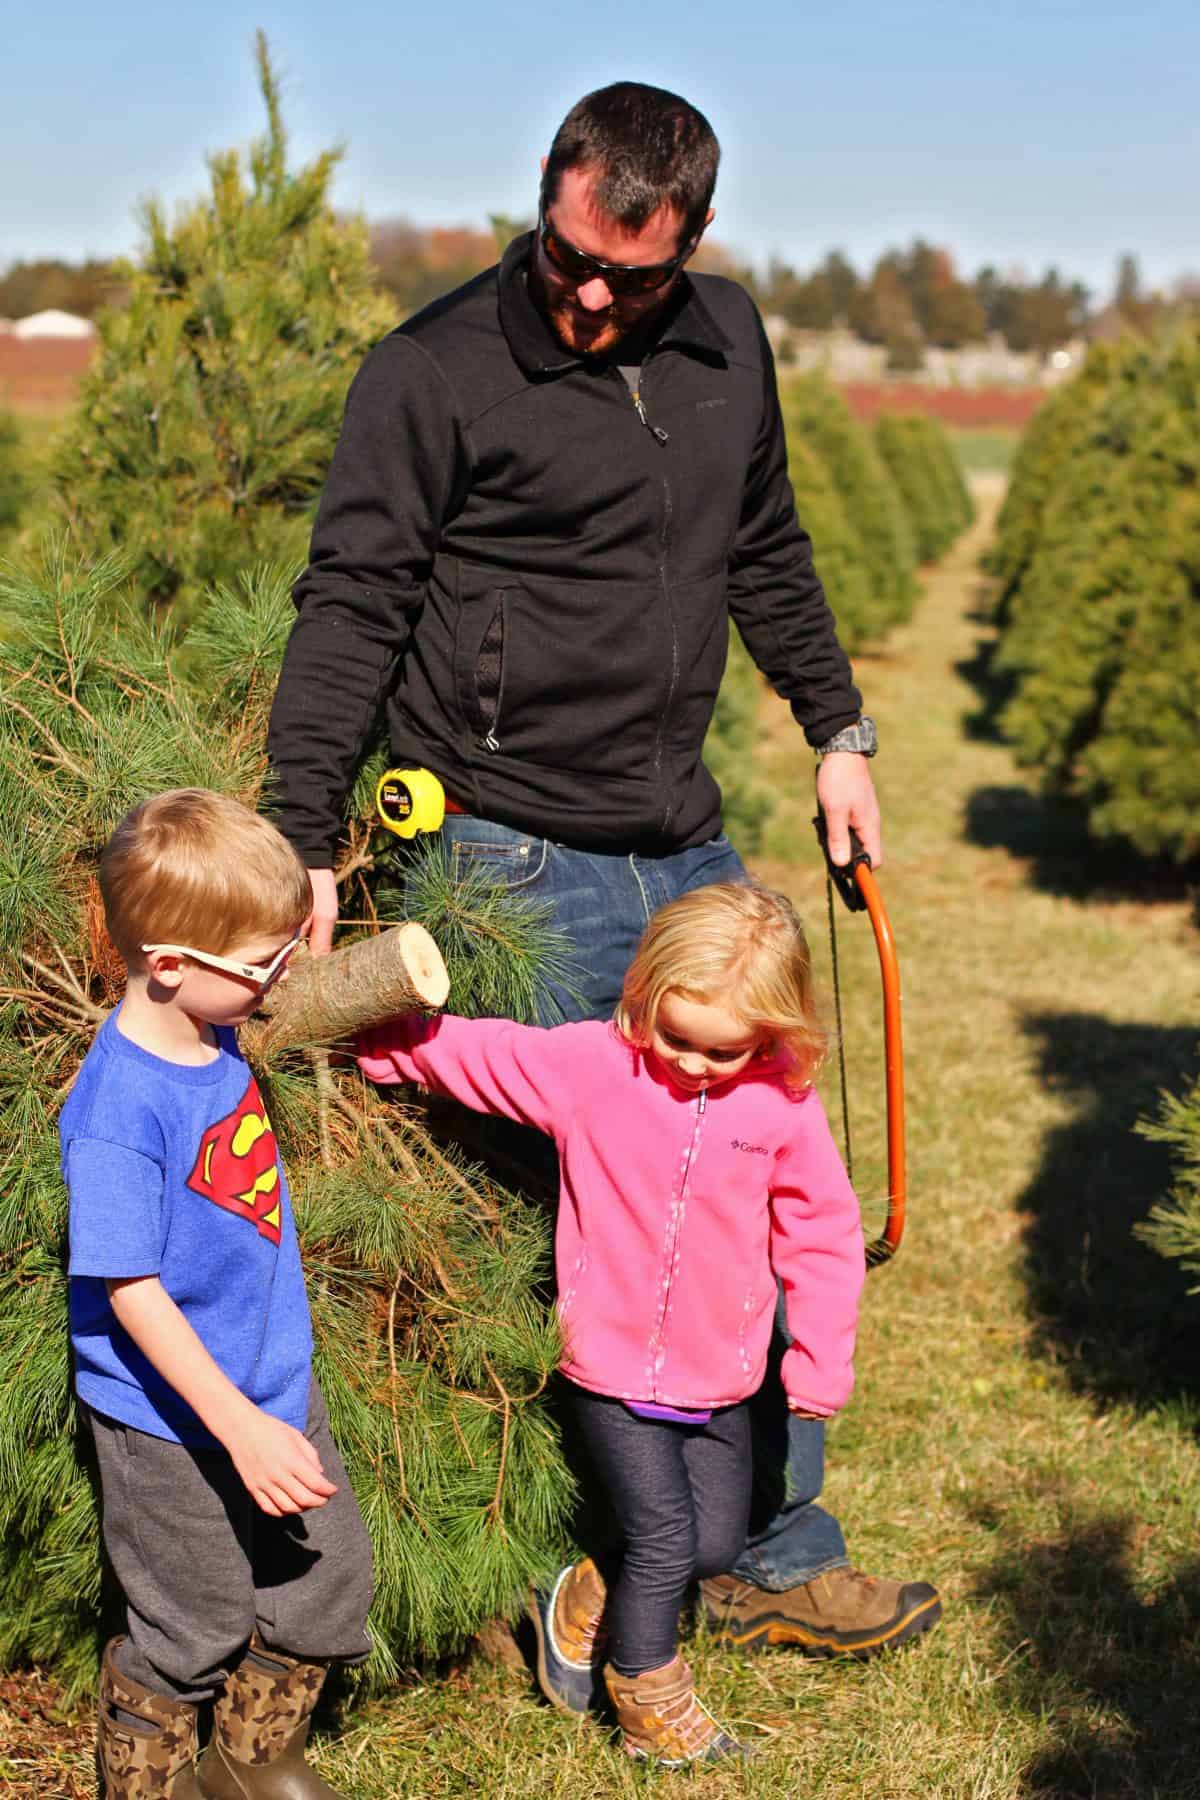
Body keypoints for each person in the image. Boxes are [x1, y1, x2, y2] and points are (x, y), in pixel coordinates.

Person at [266, 79, 939, 1675]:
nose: (581, 293)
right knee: (591, 1218)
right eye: (564, 252)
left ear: (689, 245)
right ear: (550, 200)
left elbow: (764, 547)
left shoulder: (728, 351)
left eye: (625, 274)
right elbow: (351, 599)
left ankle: (767, 1539)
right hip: (503, 839)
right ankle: (559, 1558)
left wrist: (836, 731)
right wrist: (301, 832)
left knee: (760, 1182)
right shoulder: (433, 369)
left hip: (681, 839)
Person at [358, 883, 865, 1764]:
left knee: (714, 1541)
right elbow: (486, 1056)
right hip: (612, 1365)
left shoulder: (781, 1109)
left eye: (725, 1049)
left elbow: (822, 1235)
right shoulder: (595, 1069)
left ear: (773, 1031)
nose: (696, 1064)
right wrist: (387, 1043)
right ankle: (648, 1697)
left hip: (723, 1372)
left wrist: (818, 1364)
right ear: (642, 996)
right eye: (677, 1038)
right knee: (668, 1538)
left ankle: (587, 1594)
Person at [61, 790, 373, 1800]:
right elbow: (131, 1290)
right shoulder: (117, 1111)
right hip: (170, 1418)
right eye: (263, 965)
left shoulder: (213, 1031)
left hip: (271, 1378)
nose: (282, 979)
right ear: (169, 965)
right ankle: (146, 1783)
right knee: (189, 1624)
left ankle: (251, 1762)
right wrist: (235, 1428)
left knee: (328, 1584)